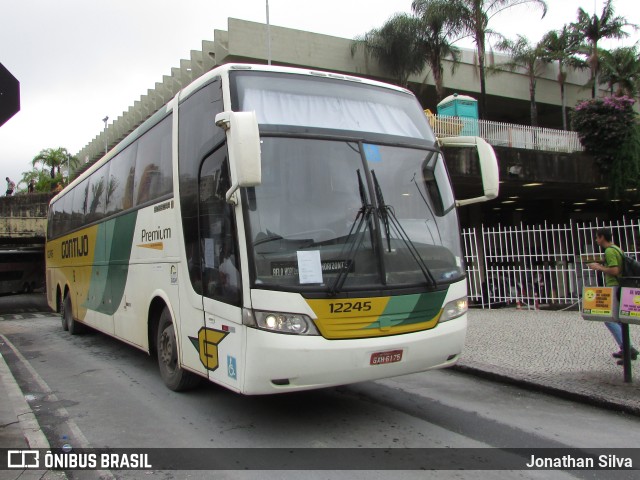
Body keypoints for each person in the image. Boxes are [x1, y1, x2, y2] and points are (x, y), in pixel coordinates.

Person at [587, 228, 639, 364]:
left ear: (602, 237)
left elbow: (615, 270)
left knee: (609, 319)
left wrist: (599, 268)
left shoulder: (609, 251)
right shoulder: (617, 248)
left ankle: (627, 348)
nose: (596, 240)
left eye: (597, 237)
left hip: (614, 285)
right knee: (620, 320)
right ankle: (626, 348)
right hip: (621, 285)